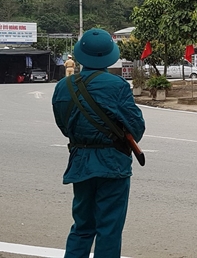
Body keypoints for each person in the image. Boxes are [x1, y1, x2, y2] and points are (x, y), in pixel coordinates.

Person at [52, 29, 146, 258]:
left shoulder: (64, 87)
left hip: (81, 162)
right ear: (110, 56)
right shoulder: (118, 86)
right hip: (113, 164)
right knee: (109, 229)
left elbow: (63, 126)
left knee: (82, 226)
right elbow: (137, 128)